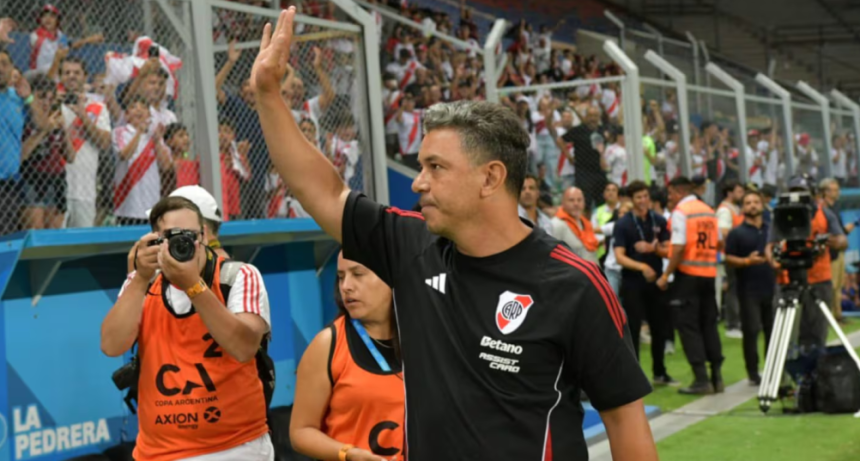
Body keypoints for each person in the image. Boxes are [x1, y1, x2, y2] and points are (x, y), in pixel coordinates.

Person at [251, 9, 657, 460]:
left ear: (490, 178)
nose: (418, 182)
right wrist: (268, 95)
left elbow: (625, 421)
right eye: (421, 166)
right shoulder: (410, 245)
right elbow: (322, 191)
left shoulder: (574, 284)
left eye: (436, 167)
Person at [101, 196, 274, 460]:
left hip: (236, 448)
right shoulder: (144, 283)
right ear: (155, 241)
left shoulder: (237, 276)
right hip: (158, 452)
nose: (181, 244)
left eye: (188, 236)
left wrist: (193, 285)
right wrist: (139, 278)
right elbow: (111, 345)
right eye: (170, 237)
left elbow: (244, 347)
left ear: (203, 235)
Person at [291, 253, 403, 461]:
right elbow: (301, 432)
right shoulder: (327, 344)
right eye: (341, 277)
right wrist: (347, 454)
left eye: (358, 274)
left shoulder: (424, 337)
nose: (346, 286)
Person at [766, 175, 846, 378]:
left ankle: (816, 377)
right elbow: (770, 245)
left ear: (812, 193)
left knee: (816, 332)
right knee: (784, 334)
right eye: (794, 191)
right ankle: (782, 378)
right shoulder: (780, 214)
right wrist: (774, 262)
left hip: (818, 280)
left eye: (801, 192)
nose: (797, 196)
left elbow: (841, 240)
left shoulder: (824, 213)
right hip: (787, 279)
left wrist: (831, 241)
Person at [658, 176, 724, 395]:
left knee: (688, 327)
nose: (670, 198)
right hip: (709, 275)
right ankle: (717, 378)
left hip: (687, 277)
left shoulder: (681, 212)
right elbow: (720, 241)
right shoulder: (708, 210)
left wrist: (666, 274)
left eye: (671, 194)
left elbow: (678, 247)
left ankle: (701, 379)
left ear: (679, 192)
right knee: (709, 325)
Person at [613, 180, 677, 386]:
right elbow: (619, 256)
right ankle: (635, 378)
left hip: (655, 282)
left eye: (645, 196)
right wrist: (641, 267)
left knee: (659, 327)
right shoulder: (623, 224)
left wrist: (653, 249)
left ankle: (660, 372)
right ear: (631, 200)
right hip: (632, 282)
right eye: (638, 197)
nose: (643, 201)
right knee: (632, 329)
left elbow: (669, 250)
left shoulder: (659, 220)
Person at [724, 190, 775, 385]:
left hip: (771, 287)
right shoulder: (737, 233)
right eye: (748, 202)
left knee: (772, 331)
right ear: (743, 207)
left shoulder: (771, 230)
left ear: (762, 205)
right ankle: (753, 373)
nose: (752, 205)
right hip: (748, 290)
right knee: (751, 331)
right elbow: (728, 258)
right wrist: (747, 261)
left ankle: (772, 370)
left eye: (756, 202)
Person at [819, 177, 857, 323]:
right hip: (830, 252)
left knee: (839, 284)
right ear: (825, 192)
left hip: (839, 250)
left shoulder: (835, 207)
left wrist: (848, 229)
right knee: (832, 285)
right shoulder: (823, 208)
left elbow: (838, 231)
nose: (837, 192)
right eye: (834, 190)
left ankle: (838, 315)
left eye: (837, 190)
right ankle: (830, 317)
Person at [716, 180, 745, 338]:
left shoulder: (735, 209)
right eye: (739, 191)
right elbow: (723, 233)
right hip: (730, 254)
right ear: (729, 193)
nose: (742, 194)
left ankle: (738, 321)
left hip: (739, 254)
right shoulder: (724, 210)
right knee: (732, 289)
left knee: (738, 288)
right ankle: (732, 324)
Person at [551, 187, 600, 264]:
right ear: (563, 203)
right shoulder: (556, 224)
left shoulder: (586, 223)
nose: (576, 204)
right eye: (571, 200)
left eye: (579, 200)